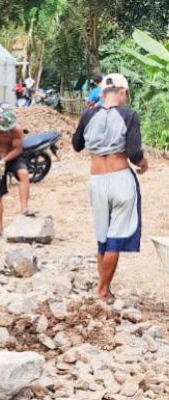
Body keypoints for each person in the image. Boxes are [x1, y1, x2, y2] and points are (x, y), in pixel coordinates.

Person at [72, 73, 148, 303]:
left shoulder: (88, 114)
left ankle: (104, 287)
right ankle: (103, 290)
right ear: (122, 92)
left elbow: (77, 145)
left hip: (97, 181)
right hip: (121, 178)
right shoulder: (129, 115)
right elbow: (135, 153)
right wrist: (144, 163)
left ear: (103, 92)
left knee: (102, 237)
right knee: (116, 238)